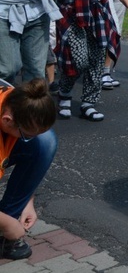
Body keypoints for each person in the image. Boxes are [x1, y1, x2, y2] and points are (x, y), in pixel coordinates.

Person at [0, 78, 58, 261]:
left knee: (44, 142)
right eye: (27, 135)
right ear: (7, 120)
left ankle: (3, 238)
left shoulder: (14, 98)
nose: (30, 139)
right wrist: (8, 224)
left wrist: (27, 200)